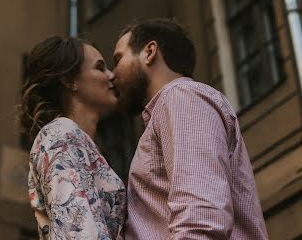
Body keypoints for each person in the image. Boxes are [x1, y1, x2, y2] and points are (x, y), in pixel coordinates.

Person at [113, 18, 269, 240]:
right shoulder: (172, 107)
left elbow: (201, 218)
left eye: (118, 59)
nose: (112, 74)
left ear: (149, 52)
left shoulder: (181, 98)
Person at [18, 35, 126, 239]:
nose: (112, 76)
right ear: (69, 81)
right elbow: (76, 232)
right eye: (100, 67)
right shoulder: (61, 135)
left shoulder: (74, 139)